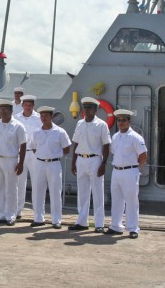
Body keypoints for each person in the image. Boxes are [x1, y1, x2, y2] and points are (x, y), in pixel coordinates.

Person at [69, 97, 111, 233]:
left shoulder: (101, 125)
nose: (87, 110)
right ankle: (82, 222)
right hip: (81, 159)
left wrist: (104, 163)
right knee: (82, 192)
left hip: (95, 160)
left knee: (98, 193)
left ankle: (99, 224)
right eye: (85, 108)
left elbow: (106, 145)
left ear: (96, 109)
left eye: (90, 108)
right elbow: (76, 143)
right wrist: (73, 161)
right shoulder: (80, 124)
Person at [105, 109, 147, 239]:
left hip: (130, 171)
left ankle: (133, 228)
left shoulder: (135, 137)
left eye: (123, 120)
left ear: (129, 121)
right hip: (116, 171)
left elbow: (143, 156)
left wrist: (135, 169)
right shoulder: (115, 137)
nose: (120, 123)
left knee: (131, 201)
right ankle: (116, 226)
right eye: (119, 120)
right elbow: (113, 153)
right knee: (116, 200)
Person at [0, 99, 26, 226]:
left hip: (11, 159)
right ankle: (0, 214)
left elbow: (23, 145)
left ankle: (11, 215)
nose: (2, 112)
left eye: (5, 109)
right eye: (0, 109)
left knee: (11, 189)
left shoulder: (18, 126)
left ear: (11, 111)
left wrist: (21, 163)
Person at [30, 106, 71, 229]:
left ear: (52, 117)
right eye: (42, 116)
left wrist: (53, 155)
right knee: (38, 191)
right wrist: (43, 155)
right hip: (39, 163)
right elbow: (33, 147)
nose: (43, 118)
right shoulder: (36, 132)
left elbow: (66, 149)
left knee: (55, 191)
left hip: (54, 164)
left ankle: (56, 220)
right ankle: (38, 218)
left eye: (46, 116)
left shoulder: (60, 132)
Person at [13, 94, 42, 220]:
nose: (28, 107)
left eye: (30, 105)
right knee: (19, 183)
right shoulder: (16, 118)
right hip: (20, 153)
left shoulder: (39, 118)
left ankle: (37, 213)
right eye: (26, 105)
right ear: (22, 105)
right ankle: (17, 211)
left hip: (34, 154)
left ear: (33, 106)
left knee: (37, 183)